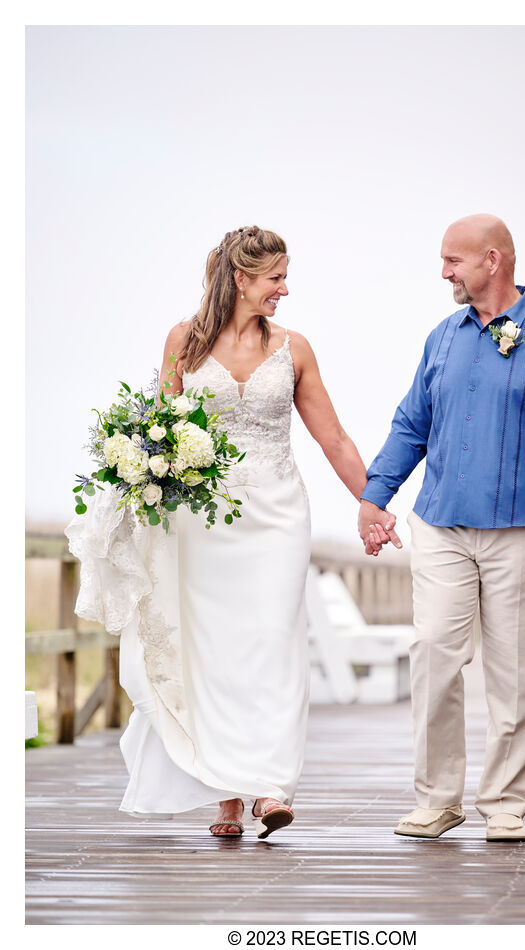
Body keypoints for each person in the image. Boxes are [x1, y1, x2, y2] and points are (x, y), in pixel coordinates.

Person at [69, 226, 394, 840]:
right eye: (275, 278)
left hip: (276, 516)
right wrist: (137, 471)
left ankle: (270, 785)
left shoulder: (294, 349)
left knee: (271, 642)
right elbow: (156, 429)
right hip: (200, 520)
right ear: (241, 279)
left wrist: (372, 502)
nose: (284, 289)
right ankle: (223, 791)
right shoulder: (183, 342)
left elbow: (335, 438)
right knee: (211, 651)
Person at [358, 214, 525, 841]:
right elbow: (412, 422)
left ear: (493, 260)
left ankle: (505, 803)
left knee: (518, 672)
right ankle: (437, 798)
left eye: (452, 261)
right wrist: (375, 496)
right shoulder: (442, 337)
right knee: (433, 649)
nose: (443, 273)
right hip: (441, 525)